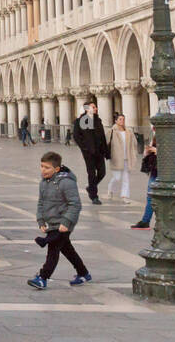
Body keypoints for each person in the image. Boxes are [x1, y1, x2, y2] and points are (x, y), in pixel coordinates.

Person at [28, 152, 92, 289]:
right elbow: (41, 202)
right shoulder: (44, 183)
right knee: (67, 250)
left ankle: (43, 277)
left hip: (64, 223)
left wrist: (66, 222)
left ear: (56, 169)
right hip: (52, 223)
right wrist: (40, 220)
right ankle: (84, 273)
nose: (43, 170)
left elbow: (75, 204)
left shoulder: (66, 182)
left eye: (47, 168)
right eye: (41, 166)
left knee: (53, 249)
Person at [71, 101, 108, 204]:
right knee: (91, 174)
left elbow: (102, 136)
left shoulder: (98, 120)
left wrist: (106, 151)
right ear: (87, 109)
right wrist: (85, 148)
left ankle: (91, 187)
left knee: (102, 172)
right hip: (89, 153)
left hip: (99, 151)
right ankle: (94, 196)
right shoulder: (80, 121)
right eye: (93, 107)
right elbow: (76, 136)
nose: (96, 108)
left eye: (95, 107)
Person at [131, 130, 158, 229]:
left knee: (155, 198)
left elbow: (172, 154)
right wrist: (147, 152)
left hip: (164, 173)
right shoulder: (155, 135)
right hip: (155, 171)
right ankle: (145, 221)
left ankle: (147, 221)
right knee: (150, 197)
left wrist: (156, 151)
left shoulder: (171, 135)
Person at [104, 113, 134, 203]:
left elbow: (133, 144)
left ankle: (125, 196)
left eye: (123, 119)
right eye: (120, 119)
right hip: (116, 158)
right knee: (117, 177)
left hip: (127, 157)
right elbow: (105, 143)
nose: (122, 121)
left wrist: (133, 153)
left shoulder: (129, 131)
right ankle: (110, 189)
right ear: (116, 121)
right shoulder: (111, 131)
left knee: (126, 178)